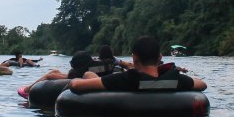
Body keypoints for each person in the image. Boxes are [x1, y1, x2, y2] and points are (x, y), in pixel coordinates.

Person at [70, 36, 207, 93]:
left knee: (88, 74)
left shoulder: (125, 79)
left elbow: (76, 86)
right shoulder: (175, 79)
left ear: (134, 58)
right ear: (159, 58)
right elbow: (202, 84)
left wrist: (74, 79)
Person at [18, 50, 99, 97]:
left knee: (50, 76)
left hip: (78, 77)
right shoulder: (95, 66)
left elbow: (78, 74)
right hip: (77, 74)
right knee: (55, 71)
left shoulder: (86, 72)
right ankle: (28, 88)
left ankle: (28, 90)